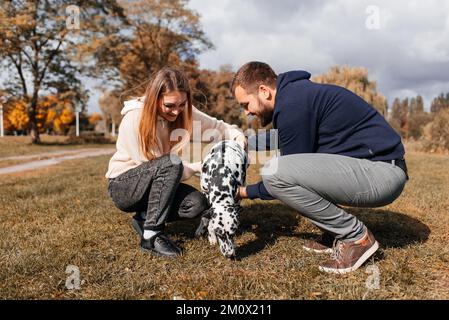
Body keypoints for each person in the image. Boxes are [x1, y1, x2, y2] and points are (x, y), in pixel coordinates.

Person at [233, 61, 408, 274]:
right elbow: (285, 136)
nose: (246, 113)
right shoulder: (295, 96)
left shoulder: (293, 104)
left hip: (382, 175)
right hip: (377, 169)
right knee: (288, 172)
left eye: (245, 104)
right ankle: (333, 232)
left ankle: (356, 238)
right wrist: (243, 142)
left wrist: (244, 192)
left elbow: (284, 176)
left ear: (263, 91)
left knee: (276, 173)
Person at [106, 67, 246, 258]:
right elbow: (158, 167)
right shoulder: (134, 119)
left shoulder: (182, 112)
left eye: (181, 104)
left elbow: (217, 127)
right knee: (171, 163)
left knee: (196, 204)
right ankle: (151, 236)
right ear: (155, 99)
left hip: (159, 179)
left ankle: (144, 218)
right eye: (170, 105)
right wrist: (203, 166)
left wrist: (237, 138)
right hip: (125, 186)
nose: (176, 111)